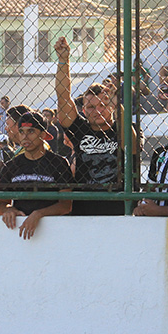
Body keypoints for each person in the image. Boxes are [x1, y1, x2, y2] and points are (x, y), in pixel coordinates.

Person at [55, 37, 134, 215]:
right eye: (91, 107)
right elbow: (63, 96)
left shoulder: (125, 128)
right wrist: (63, 60)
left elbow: (132, 146)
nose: (97, 110)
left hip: (119, 208)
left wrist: (118, 106)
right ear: (83, 109)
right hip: (84, 208)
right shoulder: (80, 129)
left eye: (103, 105)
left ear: (112, 106)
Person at [0, 112, 73, 239]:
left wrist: (39, 214)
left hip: (55, 232)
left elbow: (66, 205)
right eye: (21, 132)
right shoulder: (11, 165)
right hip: (20, 232)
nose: (25, 137)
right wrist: (9, 210)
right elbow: (2, 204)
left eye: (31, 131)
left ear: (43, 134)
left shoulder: (59, 163)